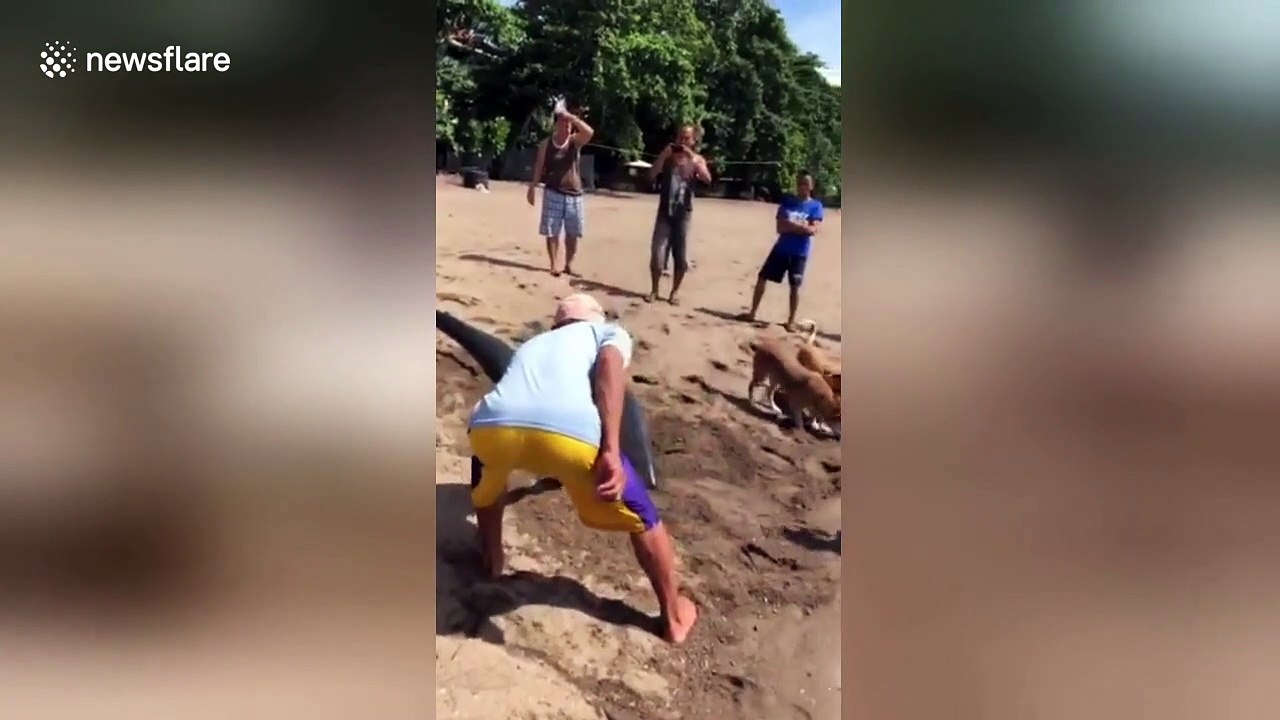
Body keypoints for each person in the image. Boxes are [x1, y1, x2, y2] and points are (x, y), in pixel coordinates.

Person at [465, 293, 699, 644]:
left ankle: (492, 558)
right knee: (645, 518)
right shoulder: (606, 333)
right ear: (595, 319)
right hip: (569, 436)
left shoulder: (535, 343)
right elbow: (608, 369)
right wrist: (611, 450)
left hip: (490, 426)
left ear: (557, 324)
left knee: (487, 475)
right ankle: (673, 617)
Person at [741, 170, 825, 331]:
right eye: (800, 183)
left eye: (806, 184)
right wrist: (802, 226)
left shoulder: (816, 206)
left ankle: (791, 320)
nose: (802, 187)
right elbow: (780, 227)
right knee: (762, 277)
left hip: (799, 252)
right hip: (782, 248)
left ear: (811, 186)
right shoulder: (788, 202)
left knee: (795, 286)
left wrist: (792, 225)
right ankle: (752, 312)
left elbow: (813, 230)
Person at [645, 124, 710, 304]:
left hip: (683, 214)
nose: (682, 141)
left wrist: (693, 158)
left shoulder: (697, 159)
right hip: (664, 211)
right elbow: (650, 176)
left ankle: (674, 292)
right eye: (680, 137)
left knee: (680, 257)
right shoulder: (668, 158)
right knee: (657, 254)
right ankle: (654, 290)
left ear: (693, 141)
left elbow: (707, 179)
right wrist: (663, 155)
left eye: (687, 138)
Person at [527, 105, 594, 277]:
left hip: (574, 194)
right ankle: (553, 264)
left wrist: (572, 116)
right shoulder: (546, 144)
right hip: (553, 191)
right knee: (552, 231)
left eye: (569, 125)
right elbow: (539, 166)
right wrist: (532, 188)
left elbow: (589, 132)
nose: (567, 127)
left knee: (573, 233)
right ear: (556, 125)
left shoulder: (574, 142)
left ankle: (569, 264)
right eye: (563, 123)